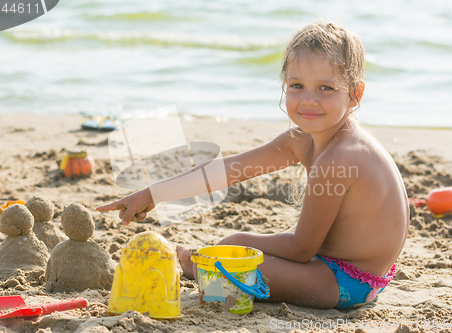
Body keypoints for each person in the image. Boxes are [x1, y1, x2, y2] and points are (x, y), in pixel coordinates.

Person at [97, 22, 409, 309]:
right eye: (297, 85)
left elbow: (301, 249)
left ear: (355, 95)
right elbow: (227, 170)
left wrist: (238, 241)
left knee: (230, 257)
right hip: (338, 266)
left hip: (347, 282)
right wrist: (153, 193)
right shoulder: (302, 139)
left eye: (325, 88)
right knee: (235, 250)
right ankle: (200, 261)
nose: (308, 100)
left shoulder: (339, 157)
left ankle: (194, 265)